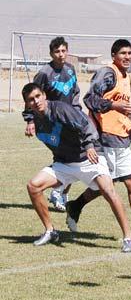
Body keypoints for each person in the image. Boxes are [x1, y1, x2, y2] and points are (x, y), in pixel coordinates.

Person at [66, 39, 131, 244]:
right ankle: (75, 204)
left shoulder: (126, 77)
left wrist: (130, 123)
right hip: (104, 140)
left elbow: (123, 107)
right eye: (123, 53)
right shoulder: (107, 73)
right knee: (106, 186)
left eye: (130, 53)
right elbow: (90, 100)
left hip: (121, 140)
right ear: (114, 55)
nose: (127, 57)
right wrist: (114, 106)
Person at [22, 82, 131, 252]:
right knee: (33, 186)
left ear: (44, 95)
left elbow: (85, 123)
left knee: (108, 191)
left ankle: (129, 238)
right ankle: (50, 231)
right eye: (31, 99)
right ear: (27, 103)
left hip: (88, 157)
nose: (36, 101)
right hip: (64, 163)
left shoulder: (60, 109)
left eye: (38, 96)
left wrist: (89, 145)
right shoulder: (36, 122)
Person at [22, 36, 80, 212]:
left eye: (63, 51)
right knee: (67, 157)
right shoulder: (44, 73)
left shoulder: (70, 69)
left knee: (74, 157)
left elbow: (75, 92)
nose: (61, 54)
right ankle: (59, 192)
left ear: (67, 51)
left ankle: (60, 192)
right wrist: (30, 120)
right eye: (57, 51)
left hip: (70, 119)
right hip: (52, 121)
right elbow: (30, 97)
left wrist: (77, 111)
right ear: (51, 53)